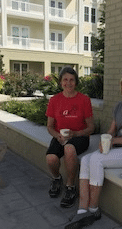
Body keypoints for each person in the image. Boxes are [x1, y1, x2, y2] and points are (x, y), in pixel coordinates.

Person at [65, 71, 122, 229]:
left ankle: (93, 209)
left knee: (96, 159)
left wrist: (114, 140)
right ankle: (82, 209)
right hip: (119, 148)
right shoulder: (119, 106)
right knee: (85, 159)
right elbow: (112, 130)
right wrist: (106, 139)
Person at [46, 67, 94, 208]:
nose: (68, 83)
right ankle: (57, 179)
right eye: (65, 79)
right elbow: (49, 126)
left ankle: (70, 187)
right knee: (51, 158)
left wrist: (76, 134)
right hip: (60, 136)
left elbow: (91, 127)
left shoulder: (84, 100)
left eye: (72, 80)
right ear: (61, 82)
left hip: (80, 136)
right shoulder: (55, 100)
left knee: (69, 149)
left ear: (76, 82)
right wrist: (57, 136)